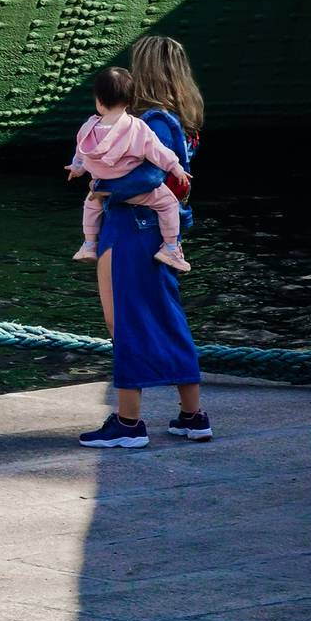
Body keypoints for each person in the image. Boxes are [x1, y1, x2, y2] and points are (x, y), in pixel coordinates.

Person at [77, 34, 213, 448]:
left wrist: (100, 187)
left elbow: (149, 177)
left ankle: (129, 423)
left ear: (145, 72)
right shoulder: (180, 121)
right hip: (153, 230)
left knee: (125, 322)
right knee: (166, 317)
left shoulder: (150, 122)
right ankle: (192, 416)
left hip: (130, 229)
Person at [68, 65, 193, 273]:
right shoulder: (137, 127)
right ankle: (171, 248)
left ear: (99, 102)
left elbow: (80, 153)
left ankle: (89, 244)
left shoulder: (88, 127)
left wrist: (77, 167)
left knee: (91, 204)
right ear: (130, 101)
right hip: (134, 190)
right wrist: (176, 167)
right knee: (168, 203)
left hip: (101, 186)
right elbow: (157, 151)